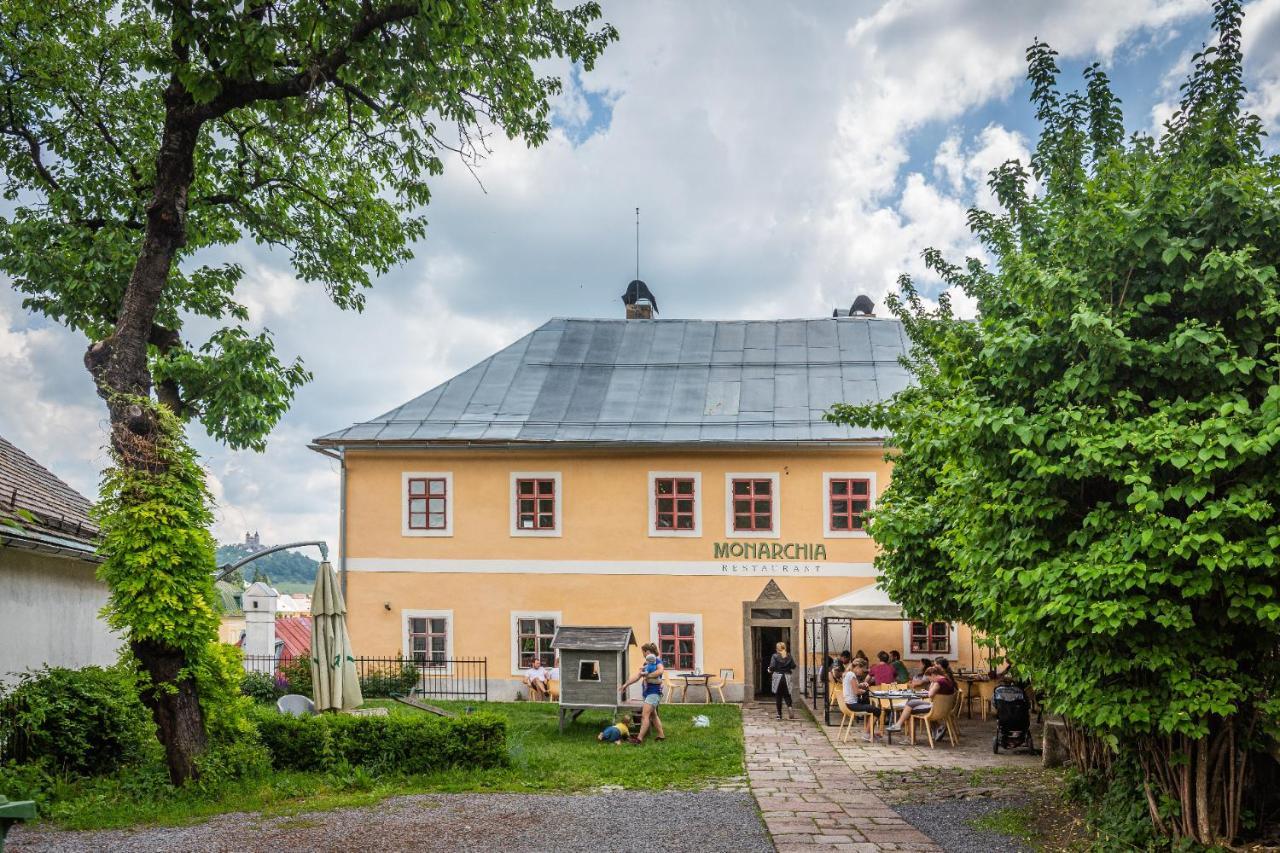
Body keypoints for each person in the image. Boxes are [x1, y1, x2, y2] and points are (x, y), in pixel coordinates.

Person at [886, 665, 956, 734]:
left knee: (910, 710)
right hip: (944, 708)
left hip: (935, 708)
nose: (929, 680)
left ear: (933, 675)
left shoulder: (939, 682)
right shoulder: (947, 680)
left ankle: (904, 732)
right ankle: (937, 729)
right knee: (911, 702)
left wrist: (933, 683)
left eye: (929, 678)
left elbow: (930, 694)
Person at [619, 643, 666, 744]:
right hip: (649, 693)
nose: (643, 654)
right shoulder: (647, 663)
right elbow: (637, 676)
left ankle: (639, 739)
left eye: (643, 652)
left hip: (654, 693)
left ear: (647, 652)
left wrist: (648, 676)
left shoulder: (657, 661)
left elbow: (661, 671)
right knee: (653, 715)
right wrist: (625, 685)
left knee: (645, 716)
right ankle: (661, 735)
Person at [841, 660, 880, 740]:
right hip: (852, 705)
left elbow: (852, 687)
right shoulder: (852, 675)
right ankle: (867, 734)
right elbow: (856, 692)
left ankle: (870, 733)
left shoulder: (848, 674)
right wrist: (864, 691)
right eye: (863, 670)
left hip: (848, 703)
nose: (863, 673)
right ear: (858, 667)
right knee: (877, 710)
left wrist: (861, 685)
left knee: (870, 706)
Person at [768, 641, 797, 720]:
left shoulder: (774, 656)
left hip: (778, 677)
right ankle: (790, 707)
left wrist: (769, 670)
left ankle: (779, 715)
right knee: (787, 694)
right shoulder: (789, 656)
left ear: (777, 648)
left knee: (778, 696)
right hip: (787, 677)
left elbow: (772, 667)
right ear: (784, 648)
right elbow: (793, 666)